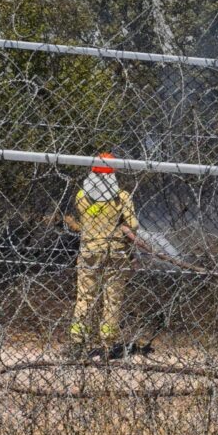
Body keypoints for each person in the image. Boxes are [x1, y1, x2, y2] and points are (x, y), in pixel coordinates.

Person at [66, 152, 139, 360]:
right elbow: (133, 225)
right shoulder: (122, 197)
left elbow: (80, 220)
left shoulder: (82, 196)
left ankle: (78, 344)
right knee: (112, 299)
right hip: (116, 252)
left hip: (89, 251)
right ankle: (107, 345)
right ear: (113, 173)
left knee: (85, 297)